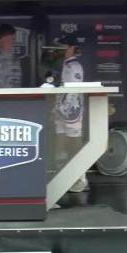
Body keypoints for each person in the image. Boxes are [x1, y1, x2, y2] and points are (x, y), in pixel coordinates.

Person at [54, 34, 88, 192]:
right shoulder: (62, 64)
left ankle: (80, 179)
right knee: (61, 143)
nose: (60, 49)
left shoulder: (75, 66)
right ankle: (63, 178)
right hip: (60, 111)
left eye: (63, 46)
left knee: (74, 143)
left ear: (71, 48)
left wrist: (65, 108)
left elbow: (74, 91)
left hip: (73, 112)